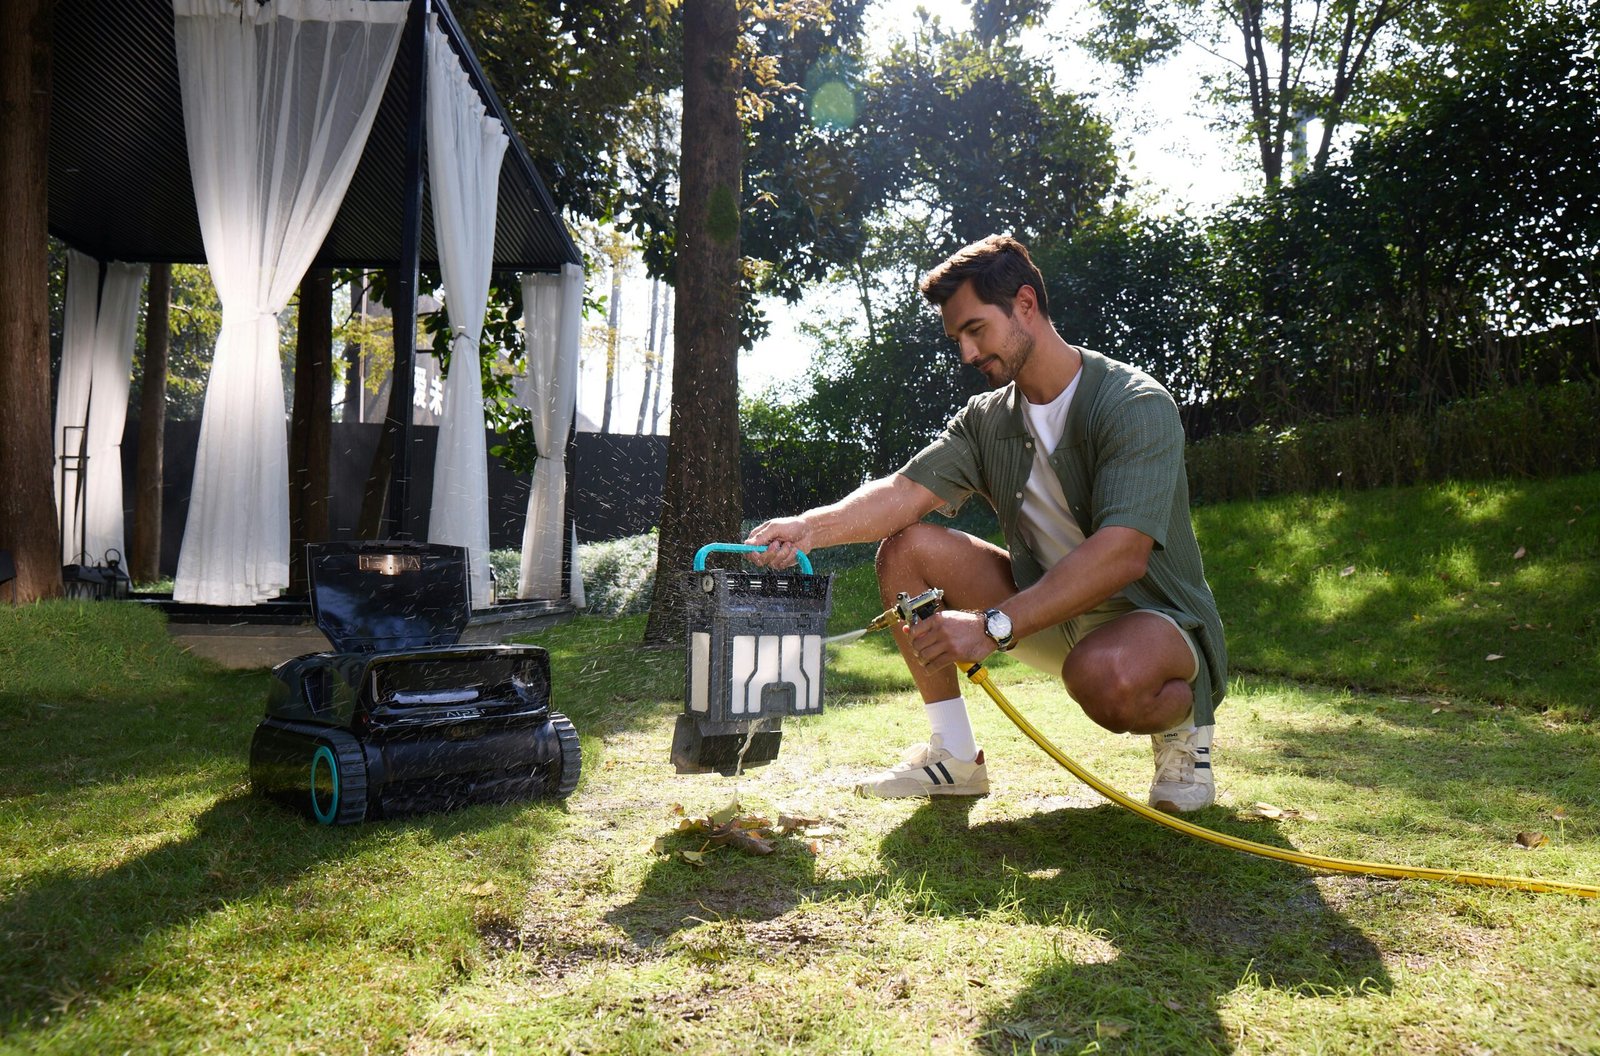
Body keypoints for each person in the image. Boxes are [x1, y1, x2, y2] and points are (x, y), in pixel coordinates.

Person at [746, 234, 1226, 812]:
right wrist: (805, 528)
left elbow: (1123, 552)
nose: (968, 354)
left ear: (1025, 304)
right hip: (1044, 609)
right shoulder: (985, 419)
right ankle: (953, 755)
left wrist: (993, 626)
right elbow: (903, 492)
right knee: (908, 549)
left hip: (1151, 624)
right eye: (958, 339)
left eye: (976, 330)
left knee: (1107, 676)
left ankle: (1183, 732)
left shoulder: (1132, 403)